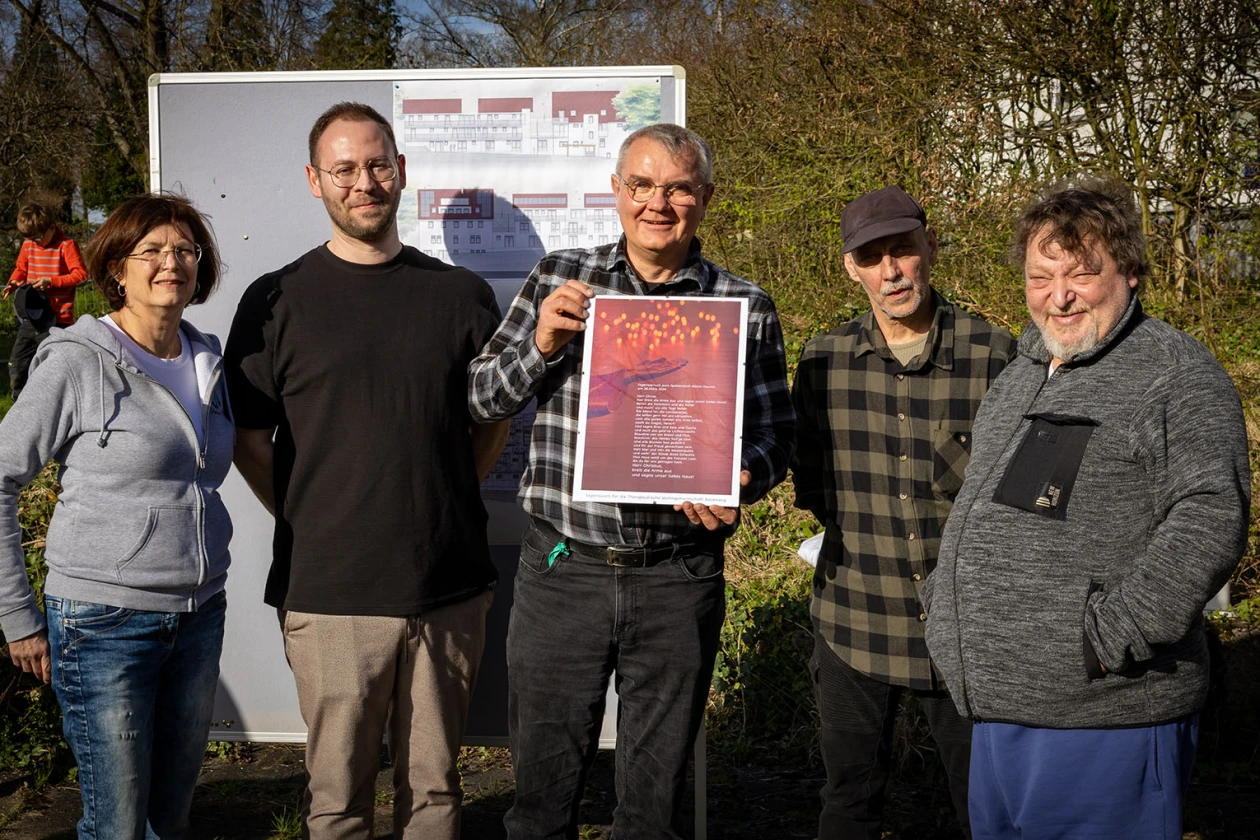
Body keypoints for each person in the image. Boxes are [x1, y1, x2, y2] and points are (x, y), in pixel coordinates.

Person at [469, 122, 795, 839]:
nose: (659, 203)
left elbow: (778, 434)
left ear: (705, 199)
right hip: (564, 571)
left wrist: (740, 478)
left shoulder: (744, 305)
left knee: (652, 809)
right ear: (616, 192)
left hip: (677, 577)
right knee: (539, 803)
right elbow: (482, 398)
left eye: (679, 188)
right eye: (642, 185)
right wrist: (543, 344)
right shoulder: (561, 277)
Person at [923, 177, 1251, 839]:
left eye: (1080, 273)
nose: (1059, 295)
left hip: (1104, 713)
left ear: (1129, 271)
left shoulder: (1174, 374)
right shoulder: (1026, 369)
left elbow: (1212, 517)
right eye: (1041, 276)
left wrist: (1107, 638)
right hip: (1002, 709)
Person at [225, 101, 509, 840]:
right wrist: (314, 516)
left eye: (378, 164)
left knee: (436, 794)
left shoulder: (460, 296)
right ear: (315, 180)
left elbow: (493, 422)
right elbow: (249, 438)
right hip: (332, 592)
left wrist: (439, 498)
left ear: (402, 172)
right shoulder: (274, 301)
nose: (365, 182)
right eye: (345, 169)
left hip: (447, 588)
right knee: (339, 804)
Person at [0, 193, 233, 838]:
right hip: (104, 624)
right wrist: (18, 618)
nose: (171, 262)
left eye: (184, 250)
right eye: (150, 250)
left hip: (197, 614)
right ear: (115, 269)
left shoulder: (208, 359)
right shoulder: (77, 360)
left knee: (171, 815)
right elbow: (1, 476)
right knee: (118, 825)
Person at [790, 185, 1015, 839]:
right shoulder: (823, 364)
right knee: (848, 803)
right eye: (872, 257)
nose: (890, 271)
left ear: (930, 247)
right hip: (855, 621)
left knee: (988, 808)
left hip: (965, 632)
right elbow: (816, 494)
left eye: (902, 250)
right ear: (850, 269)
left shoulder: (995, 356)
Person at [4, 202, 87, 396]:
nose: (36, 242)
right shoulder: (28, 245)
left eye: (39, 237)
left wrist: (50, 281)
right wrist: (14, 282)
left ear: (51, 227)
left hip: (58, 319)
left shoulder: (66, 245)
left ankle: (55, 405)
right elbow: (21, 270)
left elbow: (80, 275)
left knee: (52, 367)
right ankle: (21, 405)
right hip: (31, 317)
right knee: (18, 364)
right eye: (31, 239)